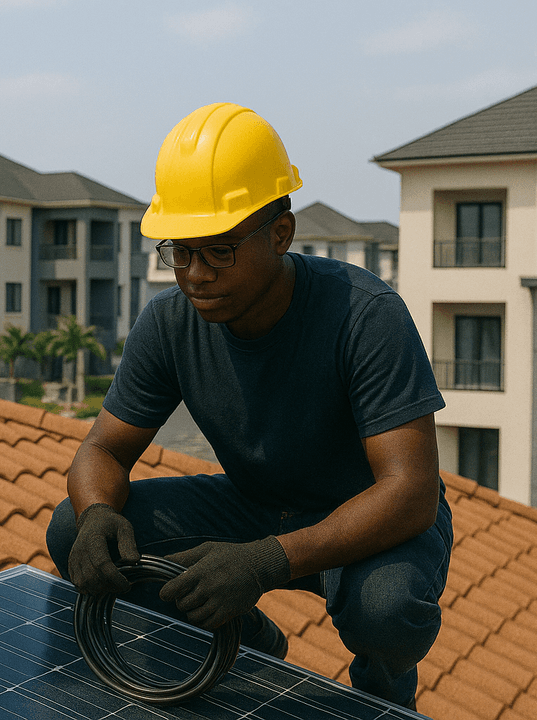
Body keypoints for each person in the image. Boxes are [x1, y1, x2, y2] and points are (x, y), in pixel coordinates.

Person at [46, 102, 452, 710]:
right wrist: (98, 508)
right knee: (74, 527)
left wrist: (266, 562)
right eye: (179, 251)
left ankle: (384, 696)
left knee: (387, 609)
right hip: (257, 504)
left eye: (219, 250)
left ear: (280, 234)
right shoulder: (171, 322)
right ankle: (248, 637)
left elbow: (410, 492)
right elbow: (103, 447)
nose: (194, 274)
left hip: (370, 517)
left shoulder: (365, 315)